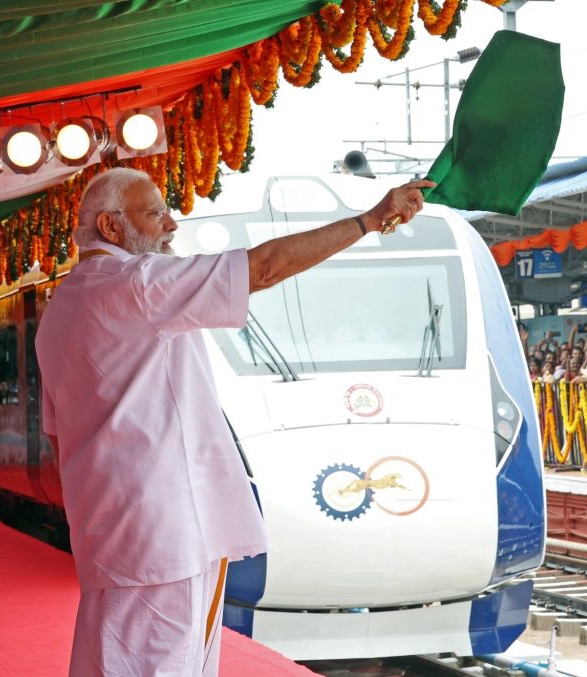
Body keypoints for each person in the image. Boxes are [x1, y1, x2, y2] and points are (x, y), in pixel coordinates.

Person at [35, 167, 434, 676]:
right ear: (111, 228)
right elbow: (262, 268)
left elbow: (55, 437)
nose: (171, 225)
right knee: (161, 664)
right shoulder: (136, 283)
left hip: (112, 525)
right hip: (166, 528)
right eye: (155, 213)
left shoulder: (60, 309)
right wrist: (370, 219)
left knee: (112, 657)